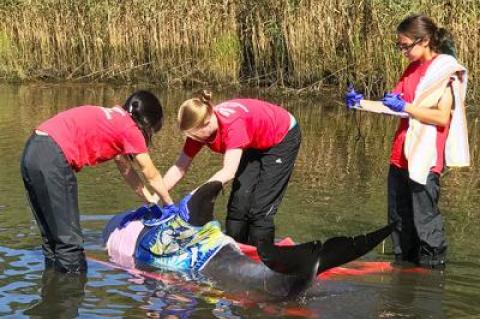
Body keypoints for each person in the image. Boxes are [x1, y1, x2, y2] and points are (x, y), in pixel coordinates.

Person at [345, 14, 470, 268]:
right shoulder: (411, 70)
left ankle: (432, 276)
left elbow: (441, 117)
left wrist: (406, 106)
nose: (402, 51)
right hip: (399, 157)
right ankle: (404, 275)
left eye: (405, 46)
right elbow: (397, 107)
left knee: (425, 224)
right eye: (399, 46)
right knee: (399, 224)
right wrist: (361, 103)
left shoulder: (445, 70)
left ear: (423, 41)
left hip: (424, 159)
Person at [21, 90, 177, 273]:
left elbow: (126, 169)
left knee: (52, 241)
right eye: (152, 131)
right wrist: (170, 207)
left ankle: (52, 295)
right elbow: (150, 174)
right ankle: (70, 295)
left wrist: (149, 201)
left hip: (33, 151)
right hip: (52, 157)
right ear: (146, 124)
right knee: (70, 247)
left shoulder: (115, 118)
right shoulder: (130, 129)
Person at [162, 91, 301, 246]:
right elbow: (179, 167)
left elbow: (229, 172)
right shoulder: (199, 128)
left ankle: (263, 257)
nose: (192, 139)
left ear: (206, 122)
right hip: (253, 140)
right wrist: (155, 197)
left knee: (260, 210)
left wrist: (194, 196)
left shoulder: (234, 126)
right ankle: (235, 248)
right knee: (238, 206)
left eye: (194, 136)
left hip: (281, 137)